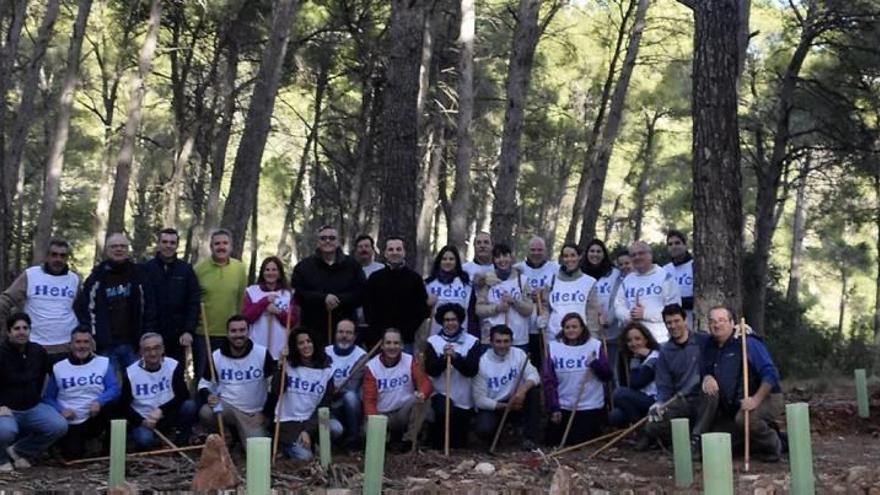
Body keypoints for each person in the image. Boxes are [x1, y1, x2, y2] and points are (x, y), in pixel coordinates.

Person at [699, 306, 785, 461]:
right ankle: (765, 435)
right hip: (734, 405)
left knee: (744, 419)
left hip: (765, 397)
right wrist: (707, 376)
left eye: (722, 320)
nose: (717, 325)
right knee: (718, 439)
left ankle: (774, 445)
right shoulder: (709, 345)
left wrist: (755, 400)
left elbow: (771, 374)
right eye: (712, 321)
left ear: (733, 323)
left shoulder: (747, 342)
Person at [76, 233, 155, 371]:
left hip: (134, 343)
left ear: (127, 250)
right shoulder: (97, 277)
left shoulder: (140, 274)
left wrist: (147, 334)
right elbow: (85, 309)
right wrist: (91, 335)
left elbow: (149, 307)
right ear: (107, 250)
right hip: (105, 344)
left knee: (136, 385)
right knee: (110, 386)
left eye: (123, 246)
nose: (119, 249)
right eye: (114, 246)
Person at [0, 313, 68, 471]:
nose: (21, 332)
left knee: (59, 426)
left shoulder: (38, 352)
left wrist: (86, 358)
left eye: (25, 328)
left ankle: (18, 451)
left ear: (30, 330)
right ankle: (1, 459)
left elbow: (56, 370)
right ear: (9, 332)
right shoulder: (1, 354)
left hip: (33, 407)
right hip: (7, 410)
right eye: (17, 328)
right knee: (5, 431)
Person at [198, 315, 275, 446]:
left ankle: (241, 435)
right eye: (233, 331)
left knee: (257, 449)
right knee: (206, 412)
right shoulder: (216, 356)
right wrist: (209, 395)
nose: (238, 335)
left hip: (254, 413)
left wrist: (264, 413)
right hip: (229, 408)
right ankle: (226, 436)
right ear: (227, 334)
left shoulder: (262, 353)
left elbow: (275, 385)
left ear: (248, 331)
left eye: (242, 330)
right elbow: (204, 384)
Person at [44, 327, 120, 459]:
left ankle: (110, 453)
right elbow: (48, 398)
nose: (82, 346)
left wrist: (99, 401)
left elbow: (113, 388)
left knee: (114, 410)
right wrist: (61, 410)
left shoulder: (103, 363)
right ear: (71, 345)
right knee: (74, 455)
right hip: (71, 419)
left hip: (95, 414)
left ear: (92, 344)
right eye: (78, 342)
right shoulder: (59, 367)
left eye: (86, 342)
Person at [643, 304, 710, 448]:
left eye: (677, 321)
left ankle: (696, 439)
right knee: (652, 426)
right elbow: (663, 385)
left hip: (703, 398)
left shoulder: (703, 341)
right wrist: (659, 403)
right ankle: (681, 440)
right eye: (669, 323)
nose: (673, 326)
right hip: (680, 401)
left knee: (712, 394)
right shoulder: (665, 352)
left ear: (685, 320)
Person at [0, 238, 80, 357]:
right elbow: (7, 299)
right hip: (35, 344)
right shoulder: (31, 275)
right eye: (54, 255)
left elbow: (82, 308)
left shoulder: (74, 279)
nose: (58, 259)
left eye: (62, 256)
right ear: (47, 256)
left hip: (67, 345)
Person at [543, 313, 611, 446]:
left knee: (579, 440)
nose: (571, 330)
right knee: (552, 440)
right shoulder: (554, 347)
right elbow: (549, 380)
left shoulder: (595, 346)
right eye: (567, 327)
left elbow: (607, 375)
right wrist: (554, 407)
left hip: (589, 405)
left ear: (582, 328)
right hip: (564, 404)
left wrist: (595, 364)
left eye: (575, 326)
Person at [292, 225, 365, 348]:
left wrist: (339, 299)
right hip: (313, 327)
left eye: (332, 238)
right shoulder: (304, 267)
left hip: (345, 328)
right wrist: (323, 298)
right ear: (318, 242)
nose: (327, 241)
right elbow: (299, 294)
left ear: (338, 242)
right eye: (323, 238)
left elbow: (361, 292)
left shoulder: (352, 265)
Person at [121, 333, 196, 450]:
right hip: (144, 419)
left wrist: (161, 410)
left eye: (156, 348)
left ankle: (181, 441)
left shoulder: (173, 365)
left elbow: (182, 395)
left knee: (189, 406)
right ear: (141, 352)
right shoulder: (131, 373)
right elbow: (123, 406)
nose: (153, 353)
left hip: (167, 413)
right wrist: (142, 421)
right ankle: (153, 442)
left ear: (163, 349)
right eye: (147, 350)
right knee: (144, 440)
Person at [276, 328, 342, 460]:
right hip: (290, 421)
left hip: (314, 418)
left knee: (336, 428)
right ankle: (286, 446)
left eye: (309, 341)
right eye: (301, 343)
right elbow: (276, 390)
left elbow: (325, 404)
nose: (306, 345)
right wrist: (280, 366)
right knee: (305, 457)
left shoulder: (327, 370)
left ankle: (316, 441)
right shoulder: (288, 366)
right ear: (295, 347)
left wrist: (307, 430)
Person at [194, 229, 248, 390]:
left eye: (225, 243)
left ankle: (226, 412)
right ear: (211, 246)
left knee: (228, 376)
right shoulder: (199, 270)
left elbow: (242, 299)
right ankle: (201, 412)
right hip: (204, 334)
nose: (221, 247)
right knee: (203, 376)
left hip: (231, 334)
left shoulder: (239, 268)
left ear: (231, 246)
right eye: (217, 243)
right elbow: (193, 301)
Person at [362, 328, 432, 452]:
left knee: (423, 400)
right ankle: (387, 440)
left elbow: (424, 382)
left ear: (402, 345)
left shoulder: (409, 360)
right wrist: (374, 422)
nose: (392, 347)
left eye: (396, 343)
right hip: (382, 415)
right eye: (388, 343)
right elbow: (369, 400)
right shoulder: (372, 367)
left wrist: (422, 393)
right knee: (367, 433)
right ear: (382, 346)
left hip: (403, 412)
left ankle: (409, 440)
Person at [472, 325, 541, 450]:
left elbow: (534, 375)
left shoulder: (518, 354)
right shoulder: (482, 363)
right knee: (484, 428)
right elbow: (479, 400)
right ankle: (498, 440)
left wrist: (522, 391)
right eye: (498, 341)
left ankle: (530, 439)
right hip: (495, 405)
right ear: (491, 342)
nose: (502, 345)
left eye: (506, 341)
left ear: (511, 341)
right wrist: (504, 406)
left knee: (534, 393)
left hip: (516, 399)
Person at [424, 303, 480, 450]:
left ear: (460, 320)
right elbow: (431, 370)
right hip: (441, 393)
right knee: (442, 420)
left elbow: (471, 370)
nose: (450, 323)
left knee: (458, 443)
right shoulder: (433, 342)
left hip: (463, 397)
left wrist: (455, 358)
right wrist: (444, 358)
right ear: (442, 322)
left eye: (453, 319)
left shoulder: (472, 341)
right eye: (447, 320)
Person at [141, 228, 201, 363]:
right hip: (152, 334)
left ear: (177, 245)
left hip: (179, 336)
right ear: (159, 244)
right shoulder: (145, 269)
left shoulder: (186, 270)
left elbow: (193, 302)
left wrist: (188, 330)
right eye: (165, 242)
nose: (168, 246)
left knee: (177, 376)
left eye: (172, 243)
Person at [363, 237, 430, 352]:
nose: (395, 252)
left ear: (404, 253)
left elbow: (422, 310)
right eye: (391, 249)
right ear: (385, 253)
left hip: (405, 340)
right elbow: (367, 307)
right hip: (379, 340)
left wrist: (406, 331)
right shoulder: (375, 278)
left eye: (398, 249)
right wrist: (380, 332)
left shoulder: (415, 279)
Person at [613, 241, 681, 344]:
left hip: (660, 339)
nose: (637, 257)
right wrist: (629, 315)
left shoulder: (665, 277)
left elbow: (674, 309)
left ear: (650, 255)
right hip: (633, 342)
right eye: (633, 255)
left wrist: (645, 314)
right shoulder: (627, 280)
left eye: (641, 253)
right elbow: (618, 306)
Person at [540, 243, 601, 353]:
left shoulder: (589, 282)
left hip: (580, 336)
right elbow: (546, 306)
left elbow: (592, 313)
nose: (569, 259)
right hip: (554, 335)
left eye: (573, 255)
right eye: (566, 256)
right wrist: (543, 318)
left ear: (579, 257)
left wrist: (593, 337)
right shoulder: (551, 281)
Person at [475, 244, 534, 348]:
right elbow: (479, 309)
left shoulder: (522, 280)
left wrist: (514, 302)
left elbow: (529, 310)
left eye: (505, 256)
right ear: (493, 260)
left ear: (511, 257)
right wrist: (497, 308)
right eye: (498, 257)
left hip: (518, 339)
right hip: (492, 340)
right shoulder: (488, 281)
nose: (502, 260)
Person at [241, 256, 300, 360]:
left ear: (279, 273)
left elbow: (292, 321)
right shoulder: (252, 291)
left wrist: (278, 312)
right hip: (257, 344)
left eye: (274, 270)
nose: (270, 273)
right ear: (262, 272)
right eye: (267, 270)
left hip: (280, 346)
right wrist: (265, 302)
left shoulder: (287, 294)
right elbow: (247, 318)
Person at [583, 239, 624, 383]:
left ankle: (612, 399)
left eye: (599, 251)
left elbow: (618, 298)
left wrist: (610, 317)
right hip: (587, 328)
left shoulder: (614, 273)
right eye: (592, 251)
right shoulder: (581, 273)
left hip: (609, 328)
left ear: (604, 254)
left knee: (610, 368)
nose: (595, 254)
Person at [515, 236, 559, 366]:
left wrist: (545, 294)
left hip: (545, 325)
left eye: (539, 250)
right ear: (527, 251)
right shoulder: (518, 269)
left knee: (544, 362)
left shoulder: (555, 269)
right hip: (523, 326)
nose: (536, 253)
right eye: (533, 250)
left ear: (545, 250)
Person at [608, 322, 659, 433]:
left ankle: (642, 432)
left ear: (646, 340)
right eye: (629, 340)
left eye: (637, 339)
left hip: (656, 400)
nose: (633, 343)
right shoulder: (626, 358)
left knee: (619, 393)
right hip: (639, 399)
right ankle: (641, 428)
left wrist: (635, 359)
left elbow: (636, 382)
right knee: (615, 415)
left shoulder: (654, 356)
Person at [325, 319, 367, 447]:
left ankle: (353, 439)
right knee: (335, 429)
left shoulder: (361, 356)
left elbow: (353, 386)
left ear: (354, 336)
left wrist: (333, 388)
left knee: (350, 396)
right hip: (328, 402)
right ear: (335, 334)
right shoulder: (325, 352)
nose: (344, 336)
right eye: (341, 332)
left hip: (349, 404)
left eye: (349, 333)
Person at [425, 246, 472, 336]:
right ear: (439, 261)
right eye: (444, 259)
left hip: (462, 336)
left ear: (456, 262)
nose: (448, 262)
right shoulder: (430, 284)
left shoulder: (465, 283)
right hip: (436, 336)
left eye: (451, 259)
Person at [663, 230, 694, 329]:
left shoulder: (695, 266)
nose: (674, 246)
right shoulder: (665, 270)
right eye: (670, 244)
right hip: (672, 325)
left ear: (685, 245)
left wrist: (676, 302)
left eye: (677, 243)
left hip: (692, 321)